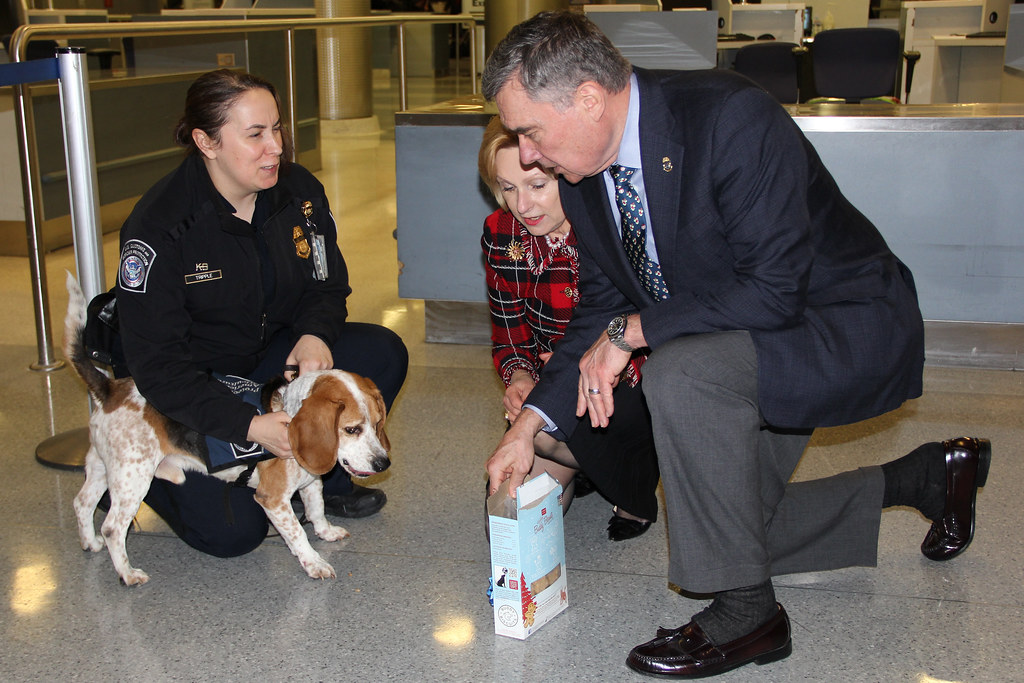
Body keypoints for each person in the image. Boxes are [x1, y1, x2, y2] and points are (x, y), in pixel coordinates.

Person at [481, 11, 991, 679]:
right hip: (739, 333)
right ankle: (927, 476)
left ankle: (749, 614)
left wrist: (631, 334)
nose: (525, 154)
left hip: (836, 320)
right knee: (730, 528)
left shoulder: (730, 120)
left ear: (588, 99)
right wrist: (528, 426)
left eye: (529, 131)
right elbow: (598, 312)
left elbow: (774, 290)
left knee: (679, 375)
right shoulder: (584, 177)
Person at [114, 69, 408, 559]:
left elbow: (327, 284)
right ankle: (139, 474)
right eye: (255, 135)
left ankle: (324, 469)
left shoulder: (299, 192)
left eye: (277, 128)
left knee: (381, 351)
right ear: (206, 142)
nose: (276, 147)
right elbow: (159, 367)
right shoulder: (159, 226)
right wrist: (249, 426)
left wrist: (314, 334)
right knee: (234, 534)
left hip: (270, 358)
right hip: (190, 387)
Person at [478, 115, 660, 541]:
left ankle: (628, 476)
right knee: (510, 528)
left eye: (537, 185)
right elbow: (508, 331)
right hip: (552, 388)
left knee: (552, 433)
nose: (523, 206)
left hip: (625, 383)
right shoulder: (501, 234)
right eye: (508, 188)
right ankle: (581, 462)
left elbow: (645, 323)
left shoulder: (610, 227)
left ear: (567, 172)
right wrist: (520, 376)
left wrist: (578, 371)